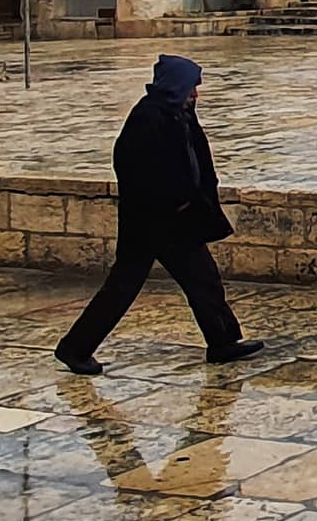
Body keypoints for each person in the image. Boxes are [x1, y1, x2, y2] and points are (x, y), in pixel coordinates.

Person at [56, 54, 263, 374]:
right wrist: (173, 200)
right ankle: (74, 348)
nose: (196, 94)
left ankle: (222, 342)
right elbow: (131, 167)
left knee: (204, 279)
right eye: (191, 87)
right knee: (123, 287)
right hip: (150, 222)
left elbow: (196, 158)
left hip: (179, 220)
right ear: (176, 85)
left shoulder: (179, 114)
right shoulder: (148, 117)